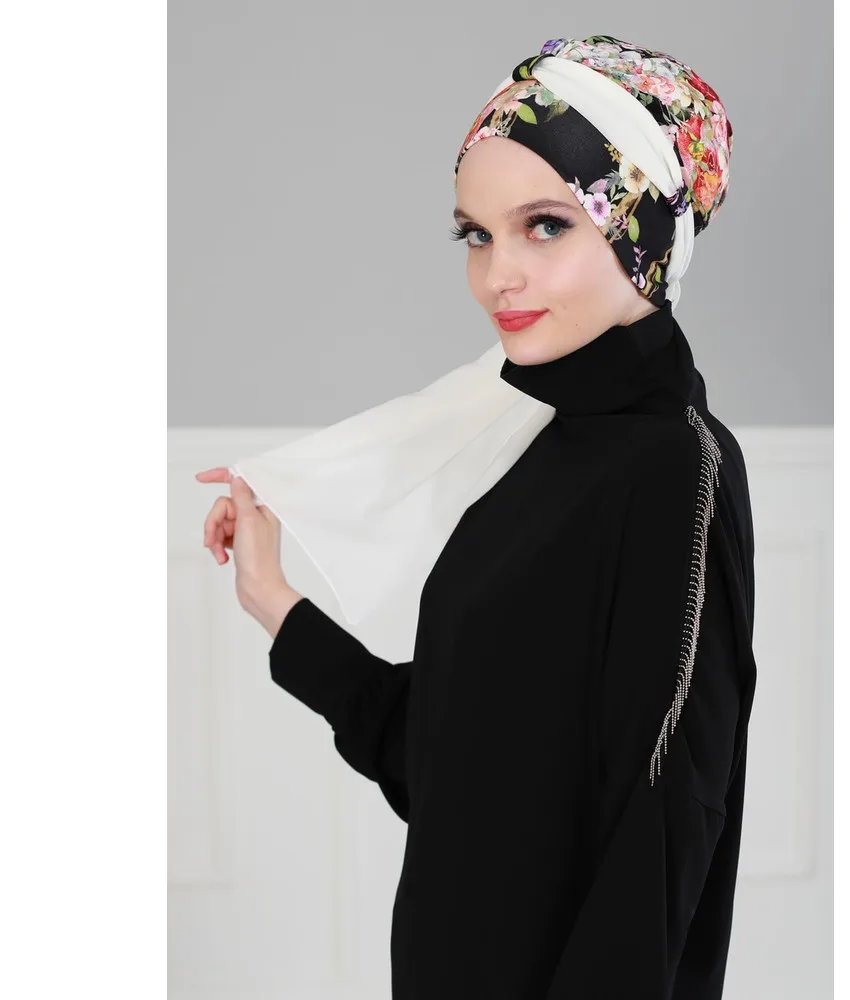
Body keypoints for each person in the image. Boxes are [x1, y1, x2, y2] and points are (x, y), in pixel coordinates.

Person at [195, 35, 757, 1000]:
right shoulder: (537, 451)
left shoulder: (677, 471)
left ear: (642, 237)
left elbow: (664, 833)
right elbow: (451, 770)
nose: (499, 275)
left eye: (545, 226)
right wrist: (273, 601)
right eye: (477, 235)